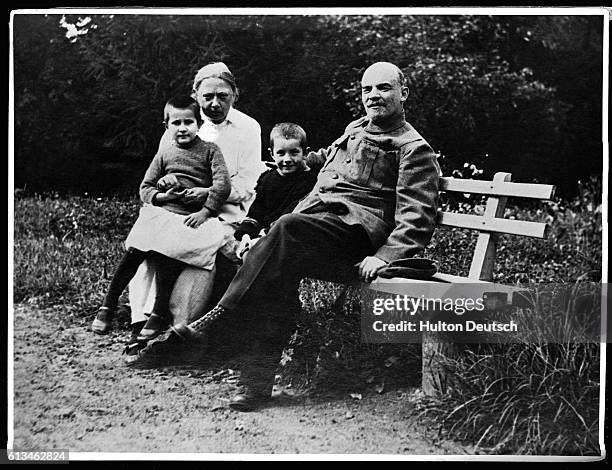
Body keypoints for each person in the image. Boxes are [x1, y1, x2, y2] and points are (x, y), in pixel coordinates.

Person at [147, 61, 440, 412]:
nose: (373, 96)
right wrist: (298, 164)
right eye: (367, 90)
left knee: (286, 227)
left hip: (358, 235)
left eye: (383, 88)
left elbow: (417, 215)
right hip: (322, 227)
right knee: (276, 275)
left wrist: (387, 255)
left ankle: (220, 316)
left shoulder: (413, 148)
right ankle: (254, 387)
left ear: (403, 93)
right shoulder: (356, 128)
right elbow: (328, 162)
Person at [125, 62, 265, 351]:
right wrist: (167, 188)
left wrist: (206, 195)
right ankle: (141, 323)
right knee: (147, 237)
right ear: (195, 95)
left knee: (201, 247)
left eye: (223, 95)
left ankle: (178, 326)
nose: (215, 103)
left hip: (225, 210)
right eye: (207, 96)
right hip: (178, 207)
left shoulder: (248, 127)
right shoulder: (181, 122)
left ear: (235, 94)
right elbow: (159, 173)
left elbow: (247, 186)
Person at [91, 95, 231, 340]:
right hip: (165, 212)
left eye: (189, 122)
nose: (183, 128)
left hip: (190, 216)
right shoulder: (165, 153)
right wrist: (161, 195)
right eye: (176, 123)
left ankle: (158, 312)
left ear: (199, 124)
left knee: (168, 251)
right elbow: (145, 188)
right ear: (166, 126)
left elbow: (223, 185)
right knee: (136, 249)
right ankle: (108, 303)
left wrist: (205, 210)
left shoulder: (210, 151)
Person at [232, 122, 318, 259]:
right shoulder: (267, 178)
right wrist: (247, 235)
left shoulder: (309, 181)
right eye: (281, 153)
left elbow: (291, 213)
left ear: (305, 153)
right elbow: (257, 210)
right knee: (244, 253)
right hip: (263, 235)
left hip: (286, 236)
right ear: (271, 154)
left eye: (294, 152)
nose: (287, 159)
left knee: (255, 257)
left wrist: (263, 236)